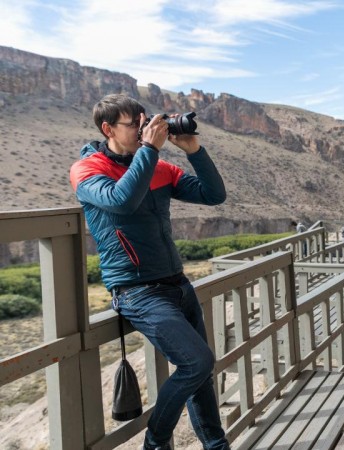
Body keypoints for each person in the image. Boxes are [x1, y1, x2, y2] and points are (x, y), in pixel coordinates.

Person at [69, 94, 229, 449]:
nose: (144, 129)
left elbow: (214, 194)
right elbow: (121, 201)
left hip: (177, 284)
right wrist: (149, 149)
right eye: (134, 125)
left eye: (145, 122)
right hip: (136, 291)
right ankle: (155, 443)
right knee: (197, 362)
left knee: (201, 374)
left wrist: (193, 150)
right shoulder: (87, 169)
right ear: (108, 129)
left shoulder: (156, 167)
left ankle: (217, 445)